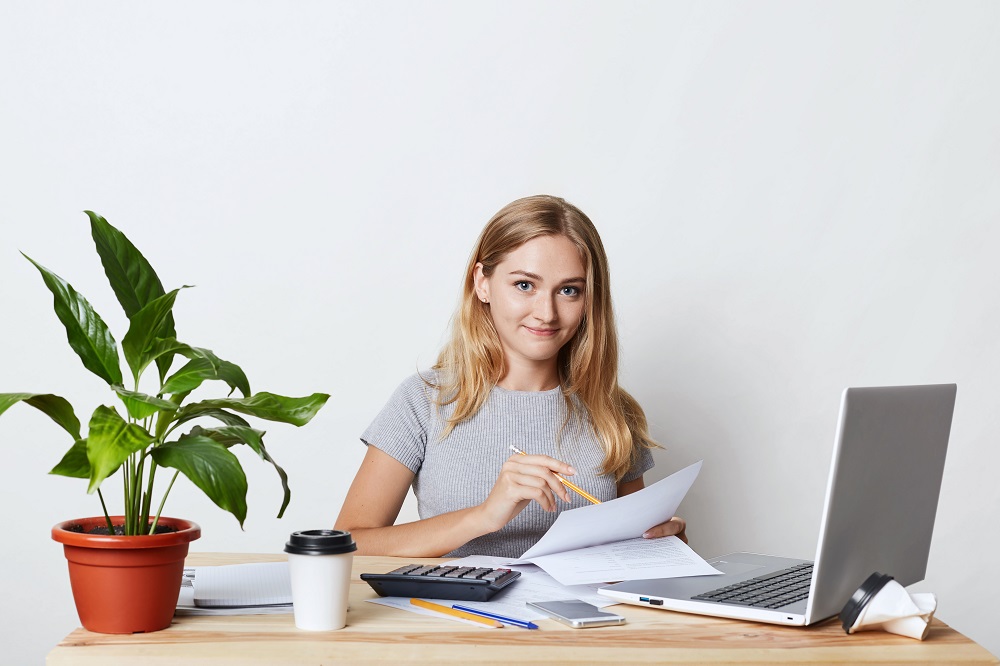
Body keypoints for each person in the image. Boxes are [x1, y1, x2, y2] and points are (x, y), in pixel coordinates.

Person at [335, 195, 686, 558]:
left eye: (569, 290)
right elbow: (348, 543)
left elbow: (638, 552)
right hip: (458, 615)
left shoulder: (613, 412)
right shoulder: (423, 400)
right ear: (482, 284)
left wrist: (665, 544)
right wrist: (485, 516)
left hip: (585, 615)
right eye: (524, 285)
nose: (546, 312)